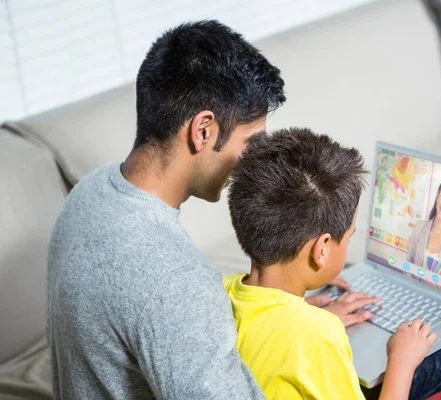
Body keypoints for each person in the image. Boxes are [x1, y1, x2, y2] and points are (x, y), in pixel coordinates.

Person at [46, 21, 371, 399]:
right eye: (251, 141)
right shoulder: (177, 282)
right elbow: (173, 309)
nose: (255, 160)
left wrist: (291, 325)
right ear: (203, 130)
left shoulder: (89, 192)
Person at [224, 128, 441, 400]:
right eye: (349, 237)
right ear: (321, 250)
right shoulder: (318, 335)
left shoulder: (223, 292)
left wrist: (306, 314)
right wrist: (401, 362)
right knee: (432, 361)